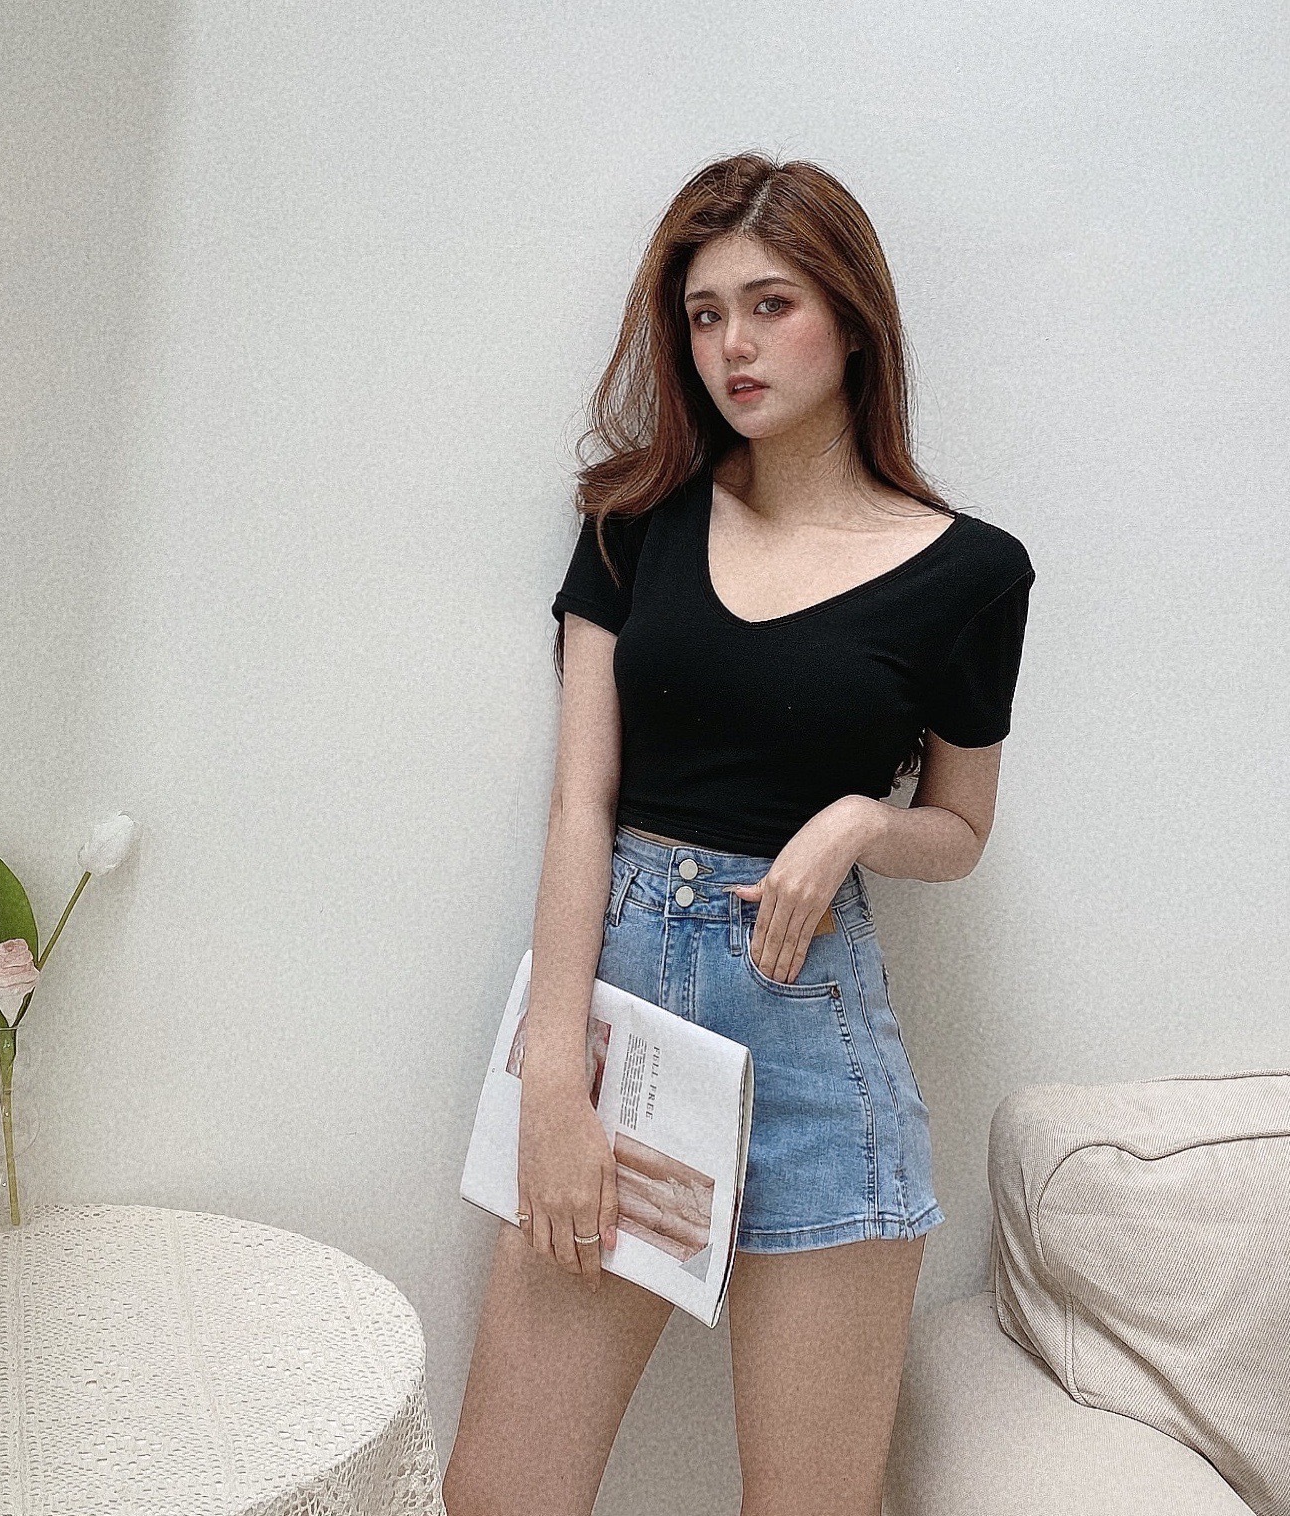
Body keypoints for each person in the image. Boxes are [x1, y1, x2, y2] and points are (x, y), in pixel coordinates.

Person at [443, 154, 1036, 1516]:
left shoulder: (973, 571)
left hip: (820, 1045)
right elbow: (580, 806)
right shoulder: (634, 520)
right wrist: (553, 1083)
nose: (734, 347)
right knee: (502, 1493)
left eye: (772, 305)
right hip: (623, 1031)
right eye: (705, 315)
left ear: (854, 320)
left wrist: (860, 824)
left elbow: (959, 828)